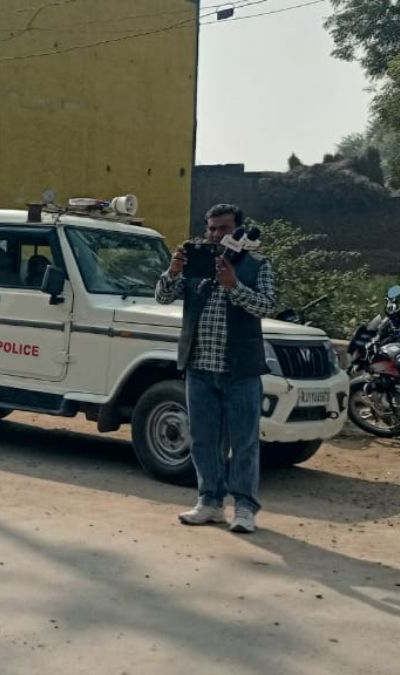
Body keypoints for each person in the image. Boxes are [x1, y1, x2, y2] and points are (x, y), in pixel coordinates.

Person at [156, 203, 275, 534]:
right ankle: (209, 502)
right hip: (199, 367)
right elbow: (164, 297)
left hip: (241, 371)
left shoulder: (257, 265)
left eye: (223, 228)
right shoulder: (197, 263)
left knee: (244, 441)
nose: (216, 234)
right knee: (204, 440)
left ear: (239, 229)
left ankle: (245, 507)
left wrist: (233, 285)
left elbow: (267, 305)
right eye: (211, 228)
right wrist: (174, 270)